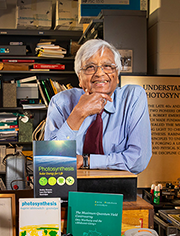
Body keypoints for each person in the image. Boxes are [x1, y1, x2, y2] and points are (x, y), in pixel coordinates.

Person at [43, 39, 152, 174]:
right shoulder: (60, 102)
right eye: (90, 67)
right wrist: (79, 113)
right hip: (70, 189)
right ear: (80, 78)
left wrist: (87, 161)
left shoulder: (133, 97)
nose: (100, 73)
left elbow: (138, 161)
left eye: (107, 66)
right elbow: (49, 162)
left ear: (117, 76)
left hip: (118, 190)